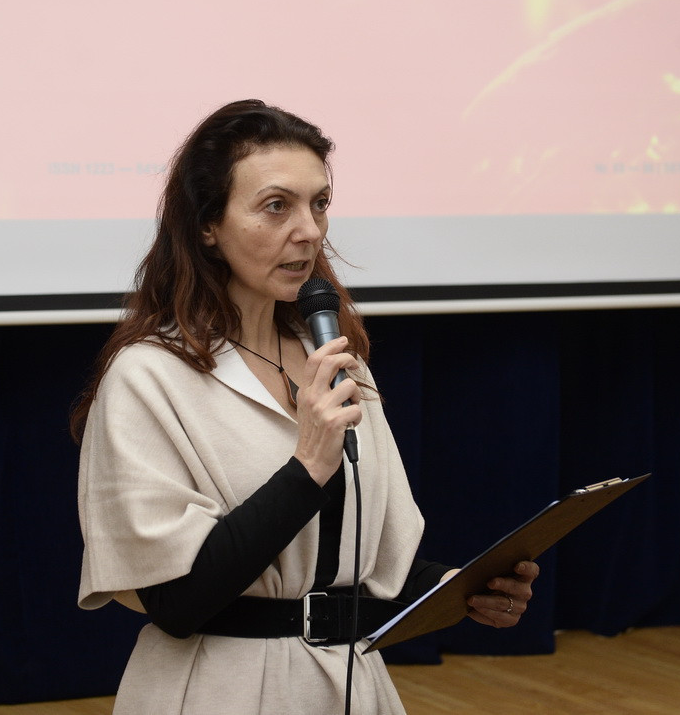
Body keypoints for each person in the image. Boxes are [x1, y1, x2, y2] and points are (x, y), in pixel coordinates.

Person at [71, 99, 538, 714]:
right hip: (220, 690)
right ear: (208, 225)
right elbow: (177, 603)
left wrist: (463, 588)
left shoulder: (338, 361)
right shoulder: (149, 376)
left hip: (350, 683)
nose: (310, 230)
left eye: (319, 203)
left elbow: (356, 561)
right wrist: (308, 466)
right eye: (276, 206)